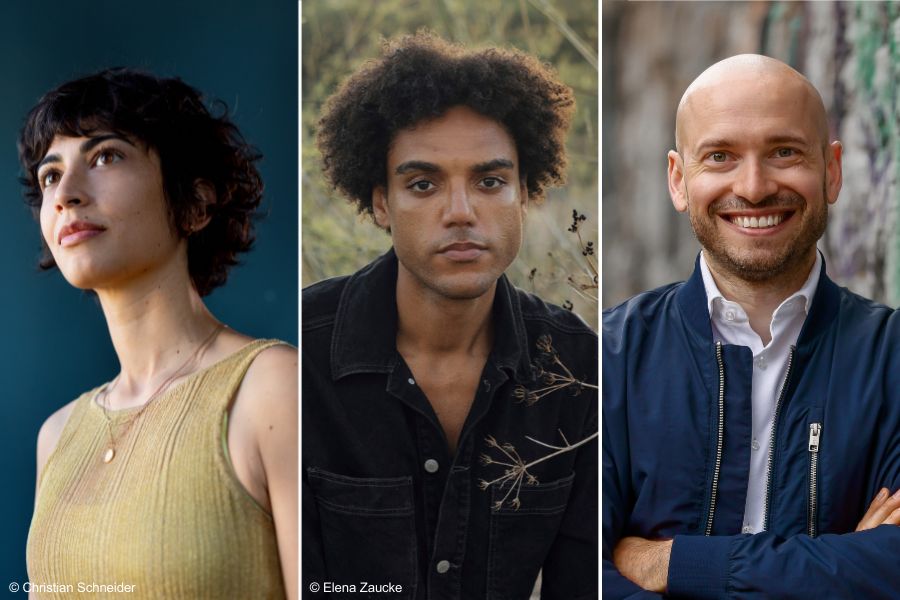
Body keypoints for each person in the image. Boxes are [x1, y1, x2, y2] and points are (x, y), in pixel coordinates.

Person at [303, 33, 597, 599]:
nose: (460, 213)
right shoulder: (301, 357)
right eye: (422, 184)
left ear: (526, 194)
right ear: (382, 203)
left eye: (490, 182)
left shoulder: (576, 369)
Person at [603, 54, 900, 598]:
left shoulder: (892, 358)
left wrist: (671, 563)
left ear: (831, 170)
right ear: (678, 179)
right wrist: (839, 565)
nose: (755, 186)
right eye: (720, 156)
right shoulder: (607, 360)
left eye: (784, 152)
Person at [21, 69, 297, 599]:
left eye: (106, 156)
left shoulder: (272, 389)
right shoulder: (56, 437)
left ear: (195, 203)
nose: (65, 196)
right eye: (50, 176)